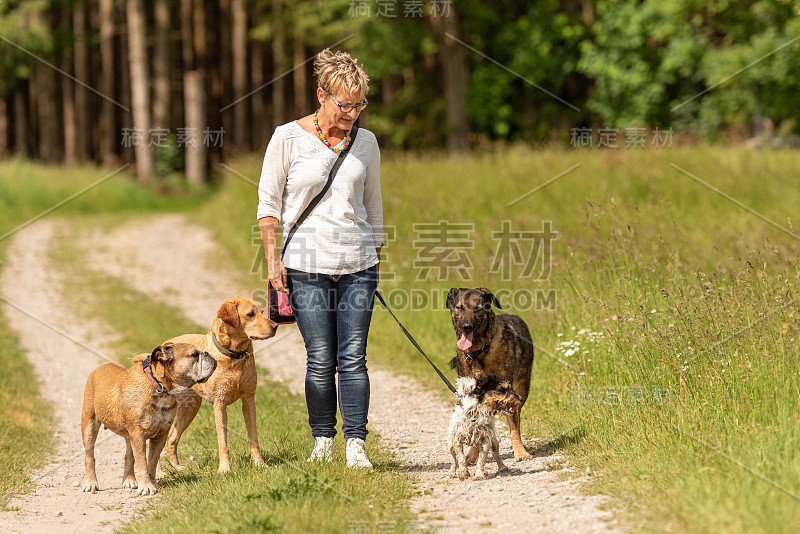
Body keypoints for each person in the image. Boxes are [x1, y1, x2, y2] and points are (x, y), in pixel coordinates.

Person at [256, 49, 383, 468]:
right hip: (305, 266)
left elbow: (373, 206)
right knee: (320, 358)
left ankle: (356, 444)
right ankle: (323, 439)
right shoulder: (287, 138)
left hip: (358, 265)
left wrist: (374, 257)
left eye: (359, 104)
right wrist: (273, 262)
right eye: (345, 104)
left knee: (353, 357)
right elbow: (268, 206)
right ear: (321, 95)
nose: (352, 112)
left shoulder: (366, 142)